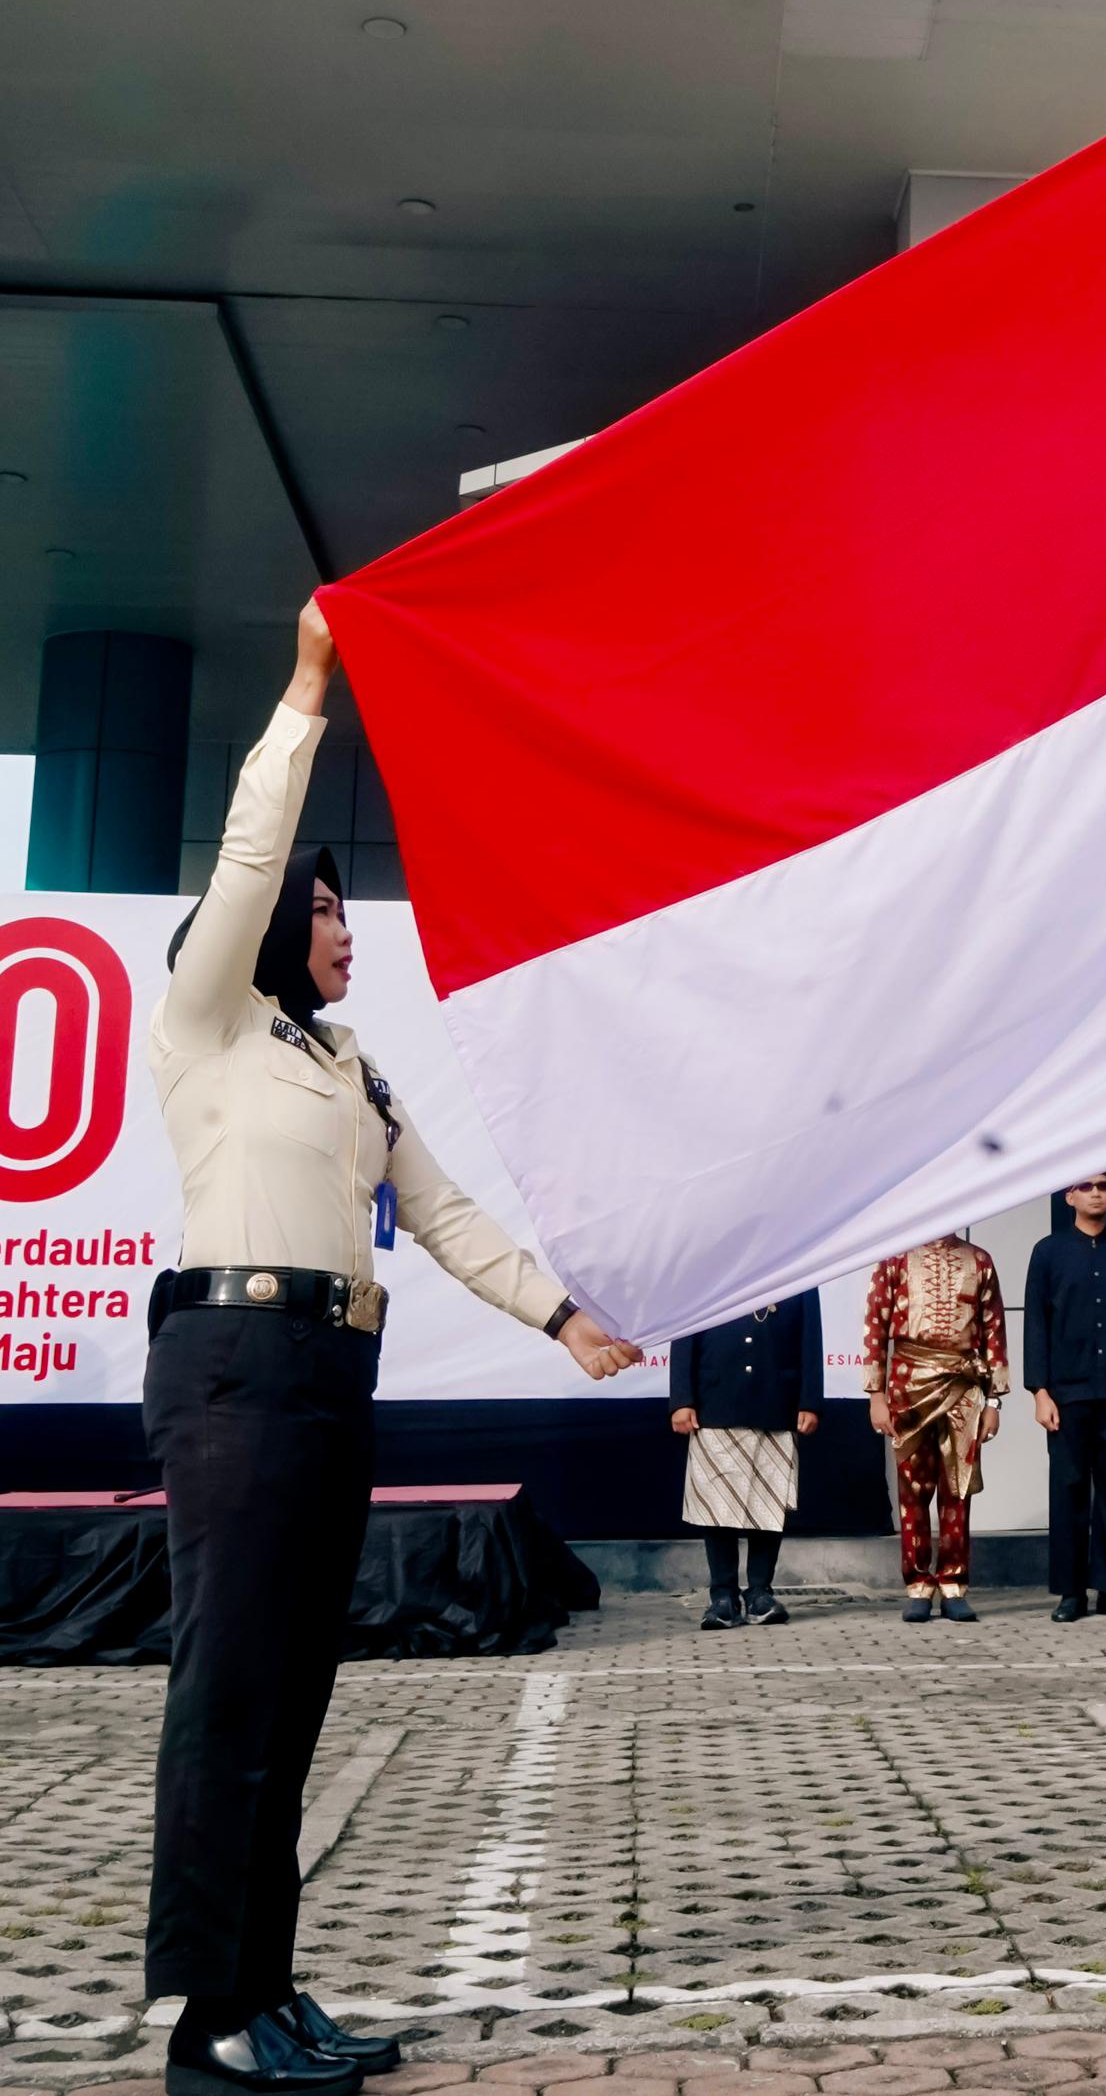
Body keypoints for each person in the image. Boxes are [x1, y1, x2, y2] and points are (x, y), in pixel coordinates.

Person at [143, 602, 641, 2096]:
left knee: (292, 1693)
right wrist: (306, 687)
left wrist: (564, 1317)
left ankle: (270, 1990)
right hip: (232, 1368)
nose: (350, 930)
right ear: (280, 927)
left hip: (328, 1380)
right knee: (228, 1686)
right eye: (334, 911)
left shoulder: (350, 1066)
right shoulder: (208, 1021)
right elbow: (244, 855)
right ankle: (206, 2021)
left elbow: (442, 1213)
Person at [1022, 1167, 1106, 1622]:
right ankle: (1070, 1593)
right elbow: (1036, 1325)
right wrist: (1039, 1390)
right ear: (1069, 1196)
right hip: (1066, 1392)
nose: (1096, 1193)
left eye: (1103, 1186)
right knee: (1068, 1489)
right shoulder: (1048, 1252)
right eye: (1086, 1187)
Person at [865, 1228, 1006, 1623]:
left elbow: (994, 1333)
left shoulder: (979, 1260)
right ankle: (917, 1585)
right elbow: (875, 1327)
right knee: (913, 1489)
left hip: (964, 1385)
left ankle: (953, 1584)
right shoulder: (894, 1258)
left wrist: (994, 1401)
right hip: (908, 1385)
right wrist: (875, 1395)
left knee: (957, 1488)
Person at [668, 1294, 821, 1630]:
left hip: (776, 1398)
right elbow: (683, 1331)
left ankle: (760, 1593)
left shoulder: (799, 1263)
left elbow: (810, 1337)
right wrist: (681, 1398)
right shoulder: (704, 1266)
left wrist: (810, 1400)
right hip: (714, 1400)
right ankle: (722, 1596)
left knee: (769, 1500)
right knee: (716, 1504)